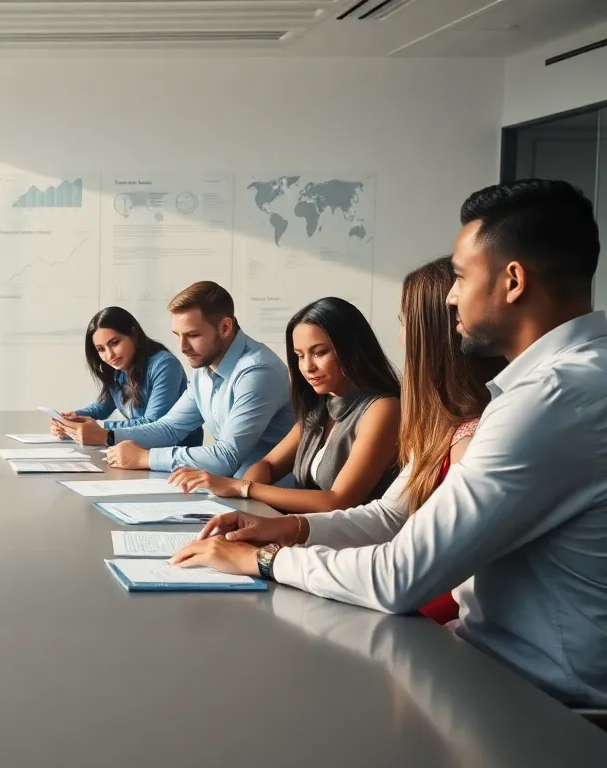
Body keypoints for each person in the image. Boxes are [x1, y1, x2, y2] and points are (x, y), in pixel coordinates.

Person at [172, 180, 607, 706]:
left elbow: (401, 575)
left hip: (531, 702)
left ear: (512, 281)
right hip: (492, 670)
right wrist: (282, 529)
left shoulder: (552, 398)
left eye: (462, 278)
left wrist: (264, 561)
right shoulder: (550, 386)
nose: (452, 295)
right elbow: (392, 516)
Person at [168, 296, 401, 513]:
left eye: (319, 353)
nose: (307, 367)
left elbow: (338, 501)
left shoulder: (383, 409)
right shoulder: (322, 405)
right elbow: (269, 464)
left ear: (352, 350)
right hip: (306, 531)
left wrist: (241, 487)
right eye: (300, 355)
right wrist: (239, 497)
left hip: (352, 547)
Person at [102, 281, 295, 481]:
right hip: (228, 489)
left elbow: (226, 458)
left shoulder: (258, 371)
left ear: (225, 327)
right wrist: (109, 436)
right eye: (178, 335)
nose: (182, 347)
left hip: (270, 501)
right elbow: (170, 428)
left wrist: (145, 457)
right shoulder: (205, 366)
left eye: (193, 335)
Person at [49, 306, 201, 447]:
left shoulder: (164, 365)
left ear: (133, 335)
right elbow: (100, 408)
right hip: (139, 452)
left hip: (175, 457)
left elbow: (153, 423)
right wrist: (71, 419)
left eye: (114, 343)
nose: (109, 355)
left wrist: (100, 430)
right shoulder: (118, 368)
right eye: (101, 349)